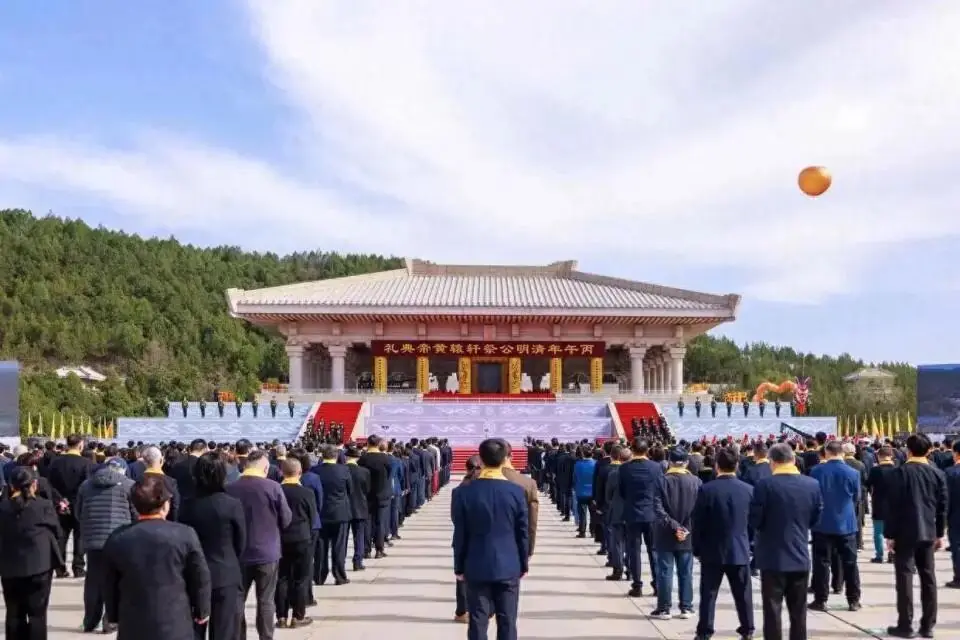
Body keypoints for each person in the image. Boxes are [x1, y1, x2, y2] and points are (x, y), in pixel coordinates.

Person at [102, 475, 211, 640]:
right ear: (165, 505)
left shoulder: (118, 537)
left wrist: (113, 615)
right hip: (175, 621)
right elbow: (200, 576)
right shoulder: (184, 534)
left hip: (133, 622)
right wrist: (202, 609)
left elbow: (109, 582)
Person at [452, 438, 528, 640]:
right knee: (507, 620)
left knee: (477, 619)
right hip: (509, 563)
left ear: (481, 459)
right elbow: (522, 532)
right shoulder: (516, 492)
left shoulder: (463, 492)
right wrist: (523, 563)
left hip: (476, 563)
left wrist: (459, 567)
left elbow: (460, 534)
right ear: (505, 459)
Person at [750, 443, 822, 640]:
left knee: (772, 612)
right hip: (799, 555)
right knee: (799, 613)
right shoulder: (812, 484)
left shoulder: (765, 485)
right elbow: (816, 518)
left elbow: (755, 520)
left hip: (772, 556)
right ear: (793, 459)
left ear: (772, 462)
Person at [883, 434, 948, 638]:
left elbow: (891, 508)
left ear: (908, 450)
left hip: (904, 533)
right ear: (928, 451)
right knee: (928, 578)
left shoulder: (898, 474)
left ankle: (905, 624)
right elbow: (942, 507)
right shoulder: (937, 474)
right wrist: (939, 533)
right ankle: (928, 625)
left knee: (904, 579)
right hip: (928, 532)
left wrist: (890, 535)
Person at [225, 449, 292, 640]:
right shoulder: (273, 488)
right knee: (266, 600)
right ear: (264, 468)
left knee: (238, 600)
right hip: (267, 551)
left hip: (239, 553)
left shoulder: (230, 488)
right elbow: (286, 519)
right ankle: (266, 636)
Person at [179, 452, 246, 640]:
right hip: (225, 572)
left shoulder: (187, 506)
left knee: (194, 630)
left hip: (194, 574)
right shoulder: (231, 505)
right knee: (225, 631)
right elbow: (241, 543)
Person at [692, 447, 754, 640]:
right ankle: (747, 629)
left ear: (717, 466)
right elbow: (753, 523)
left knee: (709, 595)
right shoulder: (748, 490)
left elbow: (698, 522)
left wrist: (697, 549)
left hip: (712, 550)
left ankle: (705, 631)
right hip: (740, 549)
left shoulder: (707, 489)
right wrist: (750, 545)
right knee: (743, 594)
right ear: (736, 466)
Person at [74, 457, 137, 633]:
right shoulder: (128, 485)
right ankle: (110, 621)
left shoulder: (86, 485)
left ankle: (90, 620)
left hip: (93, 539)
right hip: (120, 539)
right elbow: (135, 513)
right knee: (116, 581)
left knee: (93, 580)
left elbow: (78, 512)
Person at [0, 467, 63, 639]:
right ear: (34, 485)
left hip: (9, 567)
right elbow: (58, 532)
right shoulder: (43, 505)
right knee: (37, 615)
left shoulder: (3, 508)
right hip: (39, 566)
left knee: (14, 614)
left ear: (12, 486)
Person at [808, 440, 862, 611]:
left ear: (827, 452)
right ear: (842, 453)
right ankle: (853, 599)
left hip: (822, 523)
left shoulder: (816, 471)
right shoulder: (853, 473)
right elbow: (856, 497)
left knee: (821, 562)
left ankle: (821, 599)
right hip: (846, 523)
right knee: (850, 562)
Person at [650, 448, 701, 620]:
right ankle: (686, 606)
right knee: (685, 571)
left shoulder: (661, 481)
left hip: (666, 532)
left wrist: (674, 526)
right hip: (687, 533)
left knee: (665, 571)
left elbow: (658, 508)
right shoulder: (696, 482)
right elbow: (698, 511)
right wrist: (684, 528)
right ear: (686, 462)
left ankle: (664, 608)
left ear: (669, 461)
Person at [617, 438, 663, 597]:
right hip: (651, 514)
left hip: (632, 513)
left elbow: (622, 492)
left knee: (634, 551)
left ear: (632, 449)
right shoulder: (656, 467)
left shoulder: (624, 469)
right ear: (647, 449)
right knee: (654, 550)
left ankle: (637, 585)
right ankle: (657, 584)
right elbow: (660, 490)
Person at [276, 458, 317, 629]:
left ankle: (281, 616)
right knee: (300, 579)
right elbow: (313, 517)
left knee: (282, 578)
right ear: (299, 472)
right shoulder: (307, 493)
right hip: (301, 538)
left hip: (280, 538)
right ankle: (298, 615)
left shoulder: (276, 490)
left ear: (282, 472)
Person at [47, 434, 94, 578]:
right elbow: (87, 485)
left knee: (61, 536)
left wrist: (60, 500)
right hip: (79, 504)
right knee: (79, 536)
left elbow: (50, 484)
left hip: (61, 504)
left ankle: (60, 568)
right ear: (80, 444)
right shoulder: (86, 463)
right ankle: (78, 567)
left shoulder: (56, 462)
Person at [312, 444, 352, 585]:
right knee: (339, 546)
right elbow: (350, 490)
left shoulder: (315, 470)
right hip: (340, 512)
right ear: (336, 456)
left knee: (321, 547)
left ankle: (319, 576)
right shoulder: (344, 470)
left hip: (321, 513)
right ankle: (339, 575)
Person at [452, 455, 482, 623]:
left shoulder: (459, 490)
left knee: (462, 576)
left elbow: (454, 517)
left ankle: (462, 611)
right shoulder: (486, 488)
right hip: (483, 537)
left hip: (462, 537)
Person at [357, 434, 393, 559]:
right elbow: (389, 474)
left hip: (366, 495)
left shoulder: (363, 458)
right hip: (382, 494)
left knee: (367, 522)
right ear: (378, 444)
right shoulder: (385, 458)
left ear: (367, 444)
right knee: (380, 522)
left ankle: (366, 550)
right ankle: (379, 549)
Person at [502, 443, 539, 556]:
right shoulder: (527, 483)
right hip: (515, 548)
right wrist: (529, 549)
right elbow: (531, 523)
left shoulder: (470, 485)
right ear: (510, 456)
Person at [866, 445, 897, 564]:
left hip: (878, 503)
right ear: (891, 456)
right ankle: (892, 553)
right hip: (894, 504)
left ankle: (879, 555)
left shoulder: (875, 470)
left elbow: (868, 483)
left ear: (879, 456)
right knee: (893, 532)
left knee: (878, 531)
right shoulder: (897, 469)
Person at [603, 446, 630, 581]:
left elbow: (608, 496)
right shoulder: (635, 473)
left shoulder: (614, 474)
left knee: (617, 543)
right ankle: (631, 570)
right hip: (633, 513)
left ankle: (618, 569)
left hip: (617, 512)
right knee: (631, 543)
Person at [345, 446, 371, 571]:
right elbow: (367, 490)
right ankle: (357, 561)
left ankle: (340, 562)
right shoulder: (364, 472)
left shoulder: (342, 470)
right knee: (359, 536)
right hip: (360, 506)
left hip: (344, 508)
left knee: (342, 539)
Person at [572, 447, 596, 538]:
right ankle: (593, 531)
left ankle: (582, 531)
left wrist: (574, 487)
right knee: (593, 513)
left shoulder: (578, 464)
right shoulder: (596, 463)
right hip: (593, 492)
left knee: (582, 512)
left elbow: (574, 477)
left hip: (581, 491)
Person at [945, 441, 960, 587]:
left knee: (957, 548)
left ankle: (959, 577)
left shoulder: (950, 473)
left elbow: (945, 498)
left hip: (955, 516)